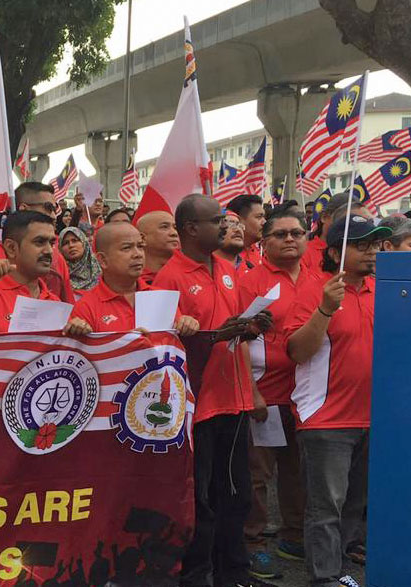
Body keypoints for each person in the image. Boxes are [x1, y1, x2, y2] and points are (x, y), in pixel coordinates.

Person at [153, 193, 270, 587]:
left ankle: (233, 572)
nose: (225, 226)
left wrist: (253, 325)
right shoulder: (171, 277)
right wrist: (222, 334)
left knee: (235, 495)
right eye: (216, 220)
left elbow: (236, 324)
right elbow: (165, 345)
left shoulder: (225, 267)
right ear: (190, 229)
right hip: (198, 406)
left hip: (232, 400)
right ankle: (197, 575)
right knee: (202, 500)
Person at [286, 214, 390, 587]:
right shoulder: (314, 289)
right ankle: (324, 577)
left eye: (375, 245)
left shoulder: (383, 289)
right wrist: (325, 309)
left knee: (353, 504)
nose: (371, 252)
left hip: (373, 415)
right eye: (361, 245)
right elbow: (297, 351)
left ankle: (339, 568)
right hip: (326, 419)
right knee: (325, 506)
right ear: (333, 251)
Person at [239, 209, 310, 577]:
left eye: (297, 233)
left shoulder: (317, 279)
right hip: (264, 394)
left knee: (298, 472)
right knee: (257, 474)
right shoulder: (250, 281)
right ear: (264, 242)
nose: (289, 239)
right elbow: (236, 340)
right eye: (280, 234)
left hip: (307, 397)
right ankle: (253, 543)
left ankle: (294, 536)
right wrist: (251, 392)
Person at [0, 210, 90, 336]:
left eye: (51, 243)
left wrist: (78, 335)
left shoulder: (54, 303)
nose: (49, 251)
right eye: (39, 242)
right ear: (11, 248)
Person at [70, 222, 198, 335]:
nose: (138, 254)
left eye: (140, 246)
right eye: (127, 248)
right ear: (102, 260)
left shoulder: (161, 298)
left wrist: (187, 324)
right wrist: (128, 344)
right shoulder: (86, 307)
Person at [0, 181, 74, 302]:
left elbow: (68, 306)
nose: (53, 215)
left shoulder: (56, 256)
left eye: (55, 209)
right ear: (11, 248)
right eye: (48, 208)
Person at [136, 210, 179, 285]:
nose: (174, 233)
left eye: (175, 227)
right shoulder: (131, 282)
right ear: (142, 238)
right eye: (164, 227)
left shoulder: (191, 276)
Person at [58, 226, 100, 297]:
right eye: (65, 243)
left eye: (75, 240)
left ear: (84, 243)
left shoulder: (101, 270)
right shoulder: (58, 275)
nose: (71, 245)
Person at [228, 194, 266, 267]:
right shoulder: (225, 256)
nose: (264, 222)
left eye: (264, 217)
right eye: (259, 217)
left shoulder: (259, 252)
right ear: (239, 221)